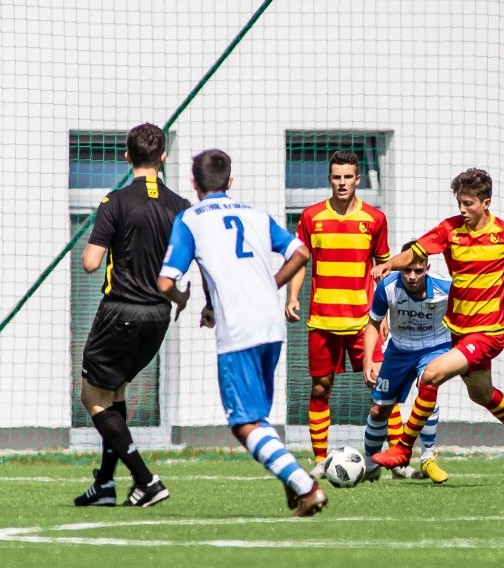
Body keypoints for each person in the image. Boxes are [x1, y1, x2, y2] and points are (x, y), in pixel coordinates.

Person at [158, 149, 326, 517]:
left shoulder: (190, 219)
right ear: (230, 182)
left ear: (193, 184)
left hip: (238, 330)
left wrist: (181, 296)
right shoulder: (255, 215)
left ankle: (305, 486)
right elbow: (300, 253)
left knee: (243, 423)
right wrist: (270, 285)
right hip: (272, 325)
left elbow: (166, 280)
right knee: (259, 416)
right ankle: (293, 487)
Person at [369, 167, 504, 473]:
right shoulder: (450, 230)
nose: (462, 209)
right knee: (481, 394)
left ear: (486, 202)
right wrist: (389, 266)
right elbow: (415, 253)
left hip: (488, 333)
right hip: (459, 332)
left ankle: (403, 449)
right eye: (459, 202)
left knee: (431, 374)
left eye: (469, 203)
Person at [72, 123, 190, 508]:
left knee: (92, 395)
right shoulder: (181, 207)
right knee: (115, 391)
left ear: (127, 156)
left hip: (121, 311)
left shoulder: (116, 201)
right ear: (163, 158)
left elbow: (90, 263)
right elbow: (179, 270)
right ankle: (105, 485)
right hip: (158, 315)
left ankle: (146, 479)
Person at [287, 150, 393, 480]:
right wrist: (292, 296)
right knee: (320, 389)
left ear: (357, 179)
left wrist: (385, 313)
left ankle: (388, 460)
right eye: (336, 177)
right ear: (329, 179)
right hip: (322, 321)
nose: (342, 182)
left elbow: (384, 268)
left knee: (383, 387)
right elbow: (300, 262)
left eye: (348, 176)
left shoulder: (374, 219)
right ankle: (321, 460)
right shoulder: (311, 216)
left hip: (365, 322)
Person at [362, 241, 452, 484]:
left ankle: (428, 458)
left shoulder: (446, 287)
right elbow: (373, 323)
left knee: (427, 388)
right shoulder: (387, 287)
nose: (412, 276)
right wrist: (368, 360)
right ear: (400, 268)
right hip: (399, 349)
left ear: (427, 267)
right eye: (407, 270)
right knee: (379, 409)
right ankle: (371, 463)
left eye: (418, 270)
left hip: (435, 347)